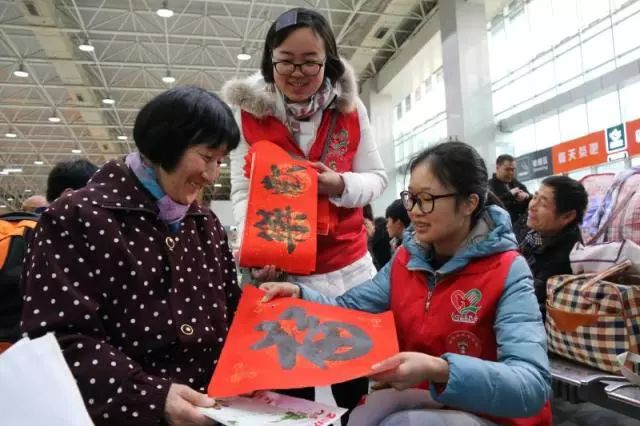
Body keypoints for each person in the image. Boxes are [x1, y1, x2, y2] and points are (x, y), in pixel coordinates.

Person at [261, 141, 552, 425]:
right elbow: (349, 309)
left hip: (490, 414)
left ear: (469, 203)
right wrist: (300, 295)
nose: (413, 211)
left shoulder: (507, 269)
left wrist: (441, 370)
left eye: (426, 199)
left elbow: (531, 385)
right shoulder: (406, 260)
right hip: (423, 402)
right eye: (410, 198)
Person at [20, 86, 241, 425]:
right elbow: (56, 339)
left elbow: (232, 310)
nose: (212, 176)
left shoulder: (204, 223)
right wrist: (151, 397)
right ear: (166, 145)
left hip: (214, 410)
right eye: (207, 157)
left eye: (220, 162)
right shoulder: (76, 218)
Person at [224, 7, 387, 420]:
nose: (298, 73)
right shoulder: (248, 113)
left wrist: (340, 185)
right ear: (270, 59)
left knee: (353, 385)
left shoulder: (350, 108)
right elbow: (242, 189)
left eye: (310, 62)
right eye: (286, 61)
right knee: (288, 394)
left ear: (327, 60)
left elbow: (378, 178)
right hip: (285, 274)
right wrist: (255, 246)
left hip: (347, 272)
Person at [520, 175, 588, 319]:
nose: (532, 206)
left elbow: (533, 306)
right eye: (535, 197)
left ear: (567, 216)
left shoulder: (564, 261)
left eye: (543, 204)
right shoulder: (535, 235)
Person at [488, 154, 530, 241]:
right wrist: (509, 195)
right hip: (501, 234)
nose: (511, 173)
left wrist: (526, 196)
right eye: (507, 169)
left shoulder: (515, 183)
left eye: (513, 169)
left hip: (521, 231)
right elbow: (493, 205)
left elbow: (530, 198)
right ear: (498, 167)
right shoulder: (489, 186)